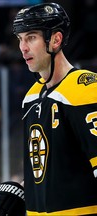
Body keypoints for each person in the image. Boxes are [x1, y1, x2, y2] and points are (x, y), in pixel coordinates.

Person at [12, 2, 97, 215]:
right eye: (20, 39)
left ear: (56, 40)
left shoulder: (86, 88)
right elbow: (47, 170)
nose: (23, 47)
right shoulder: (31, 97)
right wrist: (19, 191)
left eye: (31, 37)